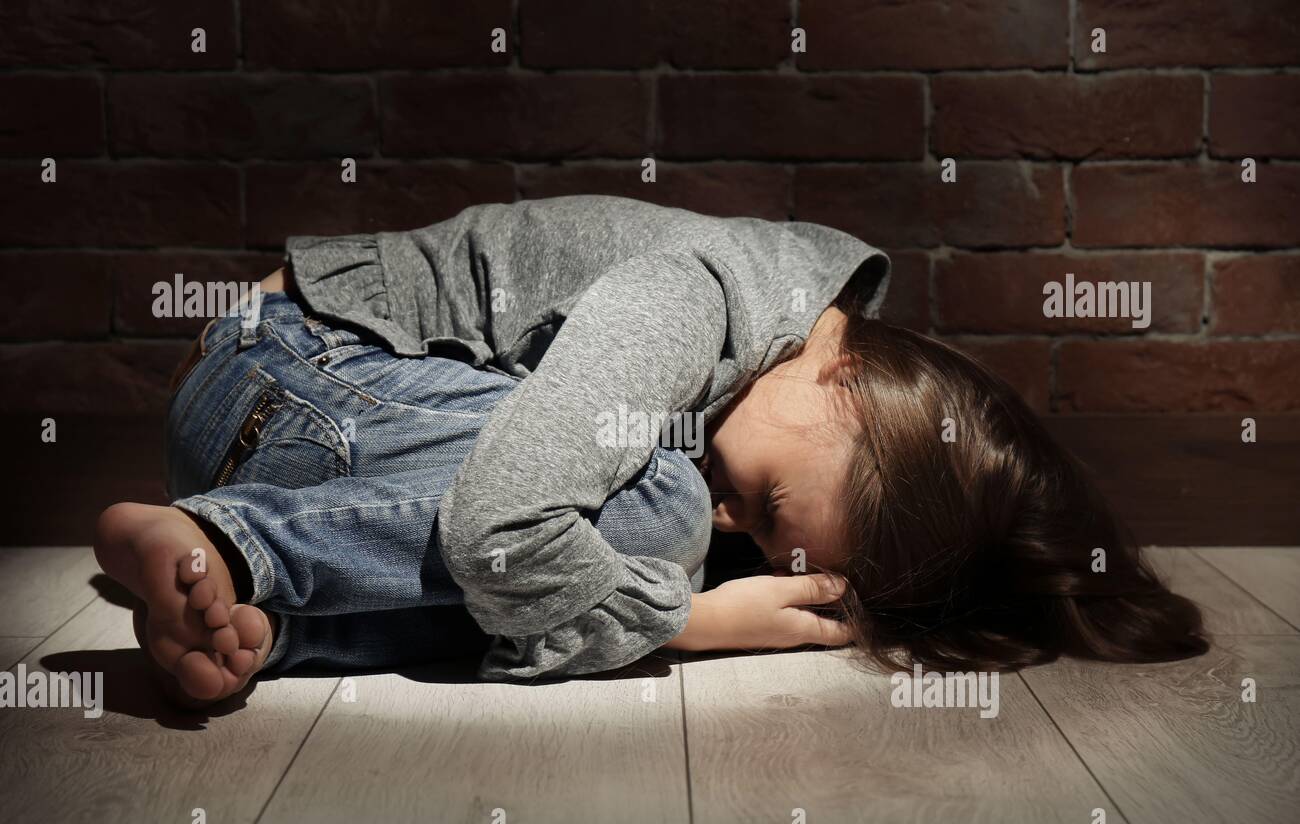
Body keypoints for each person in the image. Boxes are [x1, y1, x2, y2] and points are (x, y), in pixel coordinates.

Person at [94, 194, 1208, 708]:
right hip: (290, 378)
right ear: (849, 378)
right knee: (654, 521)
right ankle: (228, 544)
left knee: (636, 535)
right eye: (769, 501)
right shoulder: (700, 300)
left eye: (768, 540)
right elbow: (498, 530)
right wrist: (679, 619)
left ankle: (247, 617)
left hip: (314, 456)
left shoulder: (774, 383)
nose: (739, 521)